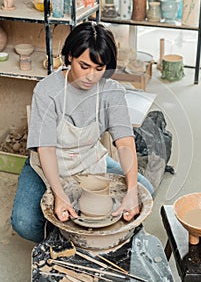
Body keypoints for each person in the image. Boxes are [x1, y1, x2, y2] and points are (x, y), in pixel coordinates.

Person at [11, 22, 153, 243]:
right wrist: (59, 196)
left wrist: (132, 191)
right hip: (47, 163)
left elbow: (125, 144)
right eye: (84, 66)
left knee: (146, 191)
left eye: (99, 69)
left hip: (89, 160)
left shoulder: (111, 92)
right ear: (69, 57)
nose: (91, 77)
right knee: (24, 223)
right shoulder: (48, 90)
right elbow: (46, 148)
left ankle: (86, 234)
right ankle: (63, 238)